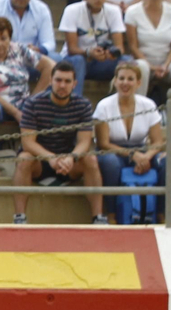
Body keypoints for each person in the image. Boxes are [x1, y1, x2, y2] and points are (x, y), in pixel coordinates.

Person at [13, 64, 108, 224]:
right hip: (40, 161)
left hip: (69, 163)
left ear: (74, 84)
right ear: (50, 80)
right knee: (24, 159)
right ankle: (19, 217)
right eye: (58, 80)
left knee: (90, 159)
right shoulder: (33, 103)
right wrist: (51, 158)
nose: (62, 85)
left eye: (67, 81)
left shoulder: (83, 104)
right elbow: (28, 143)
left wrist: (71, 157)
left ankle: (98, 217)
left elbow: (85, 141)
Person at [0, 15, 54, 173]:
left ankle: (40, 159)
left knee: (42, 106)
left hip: (22, 101)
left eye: (3, 38)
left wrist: (33, 99)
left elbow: (50, 66)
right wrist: (16, 113)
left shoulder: (19, 49)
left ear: (9, 38)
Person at [94, 58, 166, 204]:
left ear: (138, 83)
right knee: (111, 163)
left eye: (130, 79)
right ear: (115, 81)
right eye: (121, 78)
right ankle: (111, 211)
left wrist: (146, 157)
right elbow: (103, 144)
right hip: (113, 152)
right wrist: (133, 155)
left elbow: (158, 141)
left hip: (142, 151)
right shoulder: (104, 106)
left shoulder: (148, 104)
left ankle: (162, 211)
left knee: (166, 161)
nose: (125, 83)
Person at [62, 0, 130, 89]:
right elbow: (72, 49)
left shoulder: (114, 11)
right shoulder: (72, 10)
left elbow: (120, 48)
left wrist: (111, 54)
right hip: (77, 60)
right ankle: (76, 98)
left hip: (101, 61)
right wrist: (89, 52)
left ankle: (124, 98)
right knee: (78, 60)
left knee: (127, 61)